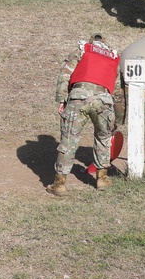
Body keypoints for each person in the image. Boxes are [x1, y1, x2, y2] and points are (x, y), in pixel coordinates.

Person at [47, 34, 125, 196]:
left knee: (69, 140)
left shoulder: (82, 50)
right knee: (103, 139)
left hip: (79, 96)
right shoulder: (114, 57)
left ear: (92, 42)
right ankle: (102, 179)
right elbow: (118, 92)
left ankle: (59, 184)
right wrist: (117, 118)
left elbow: (65, 74)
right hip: (104, 100)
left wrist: (62, 99)